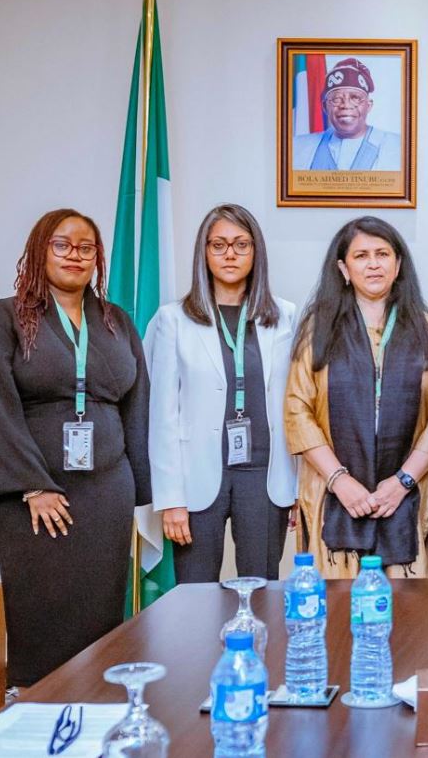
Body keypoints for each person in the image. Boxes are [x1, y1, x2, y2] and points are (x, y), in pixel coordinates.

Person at [0, 209, 150, 687]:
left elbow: (137, 403)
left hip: (106, 493)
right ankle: (38, 710)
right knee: (42, 614)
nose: (75, 255)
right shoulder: (8, 317)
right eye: (62, 245)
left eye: (86, 247)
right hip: (36, 499)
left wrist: (141, 489)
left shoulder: (116, 321)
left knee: (101, 615)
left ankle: (97, 707)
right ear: (41, 250)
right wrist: (32, 485)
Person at [285, 216, 428, 578]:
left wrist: (402, 481)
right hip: (333, 492)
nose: (373, 263)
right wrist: (340, 481)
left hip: (406, 493)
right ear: (344, 268)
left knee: (408, 617)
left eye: (382, 253)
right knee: (336, 613)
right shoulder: (319, 328)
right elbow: (297, 410)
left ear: (398, 264)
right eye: (361, 256)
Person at [144, 204, 297, 583]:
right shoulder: (173, 319)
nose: (230, 254)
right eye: (219, 245)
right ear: (204, 252)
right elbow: (161, 414)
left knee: (261, 589)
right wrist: (170, 498)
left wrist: (299, 487)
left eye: (241, 244)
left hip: (265, 475)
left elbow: (298, 406)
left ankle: (260, 646)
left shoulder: (286, 315)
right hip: (196, 477)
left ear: (256, 252)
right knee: (194, 595)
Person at [291, 57, 402, 172]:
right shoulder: (297, 147)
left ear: (368, 106)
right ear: (325, 107)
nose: (346, 105)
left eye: (355, 98)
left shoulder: (398, 147)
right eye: (336, 99)